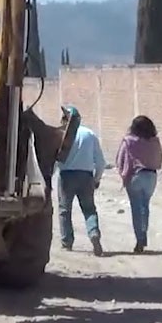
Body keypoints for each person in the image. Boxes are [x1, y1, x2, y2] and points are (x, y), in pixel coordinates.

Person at [56, 106, 107, 256]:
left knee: (65, 210)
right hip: (86, 176)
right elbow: (101, 162)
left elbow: (55, 159)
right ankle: (93, 233)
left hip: (66, 177)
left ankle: (67, 242)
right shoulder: (89, 134)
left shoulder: (61, 134)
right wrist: (96, 179)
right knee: (89, 209)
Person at [115, 115, 162, 254]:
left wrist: (123, 174)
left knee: (136, 209)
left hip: (135, 176)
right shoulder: (155, 141)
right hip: (151, 176)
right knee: (145, 206)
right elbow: (159, 157)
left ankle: (139, 240)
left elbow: (121, 159)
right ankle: (143, 234)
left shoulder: (129, 141)